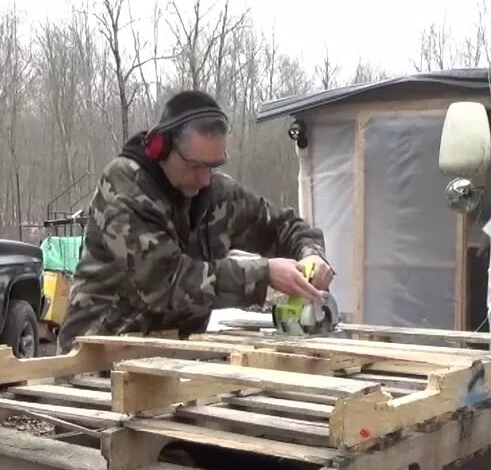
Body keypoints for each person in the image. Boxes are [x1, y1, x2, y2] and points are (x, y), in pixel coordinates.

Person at [58, 90, 333, 352]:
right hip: (96, 358)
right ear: (161, 149)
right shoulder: (123, 187)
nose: (205, 179)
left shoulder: (216, 194)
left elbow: (283, 226)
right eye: (195, 166)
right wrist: (264, 274)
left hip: (171, 361)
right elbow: (165, 283)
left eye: (213, 166)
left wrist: (311, 256)